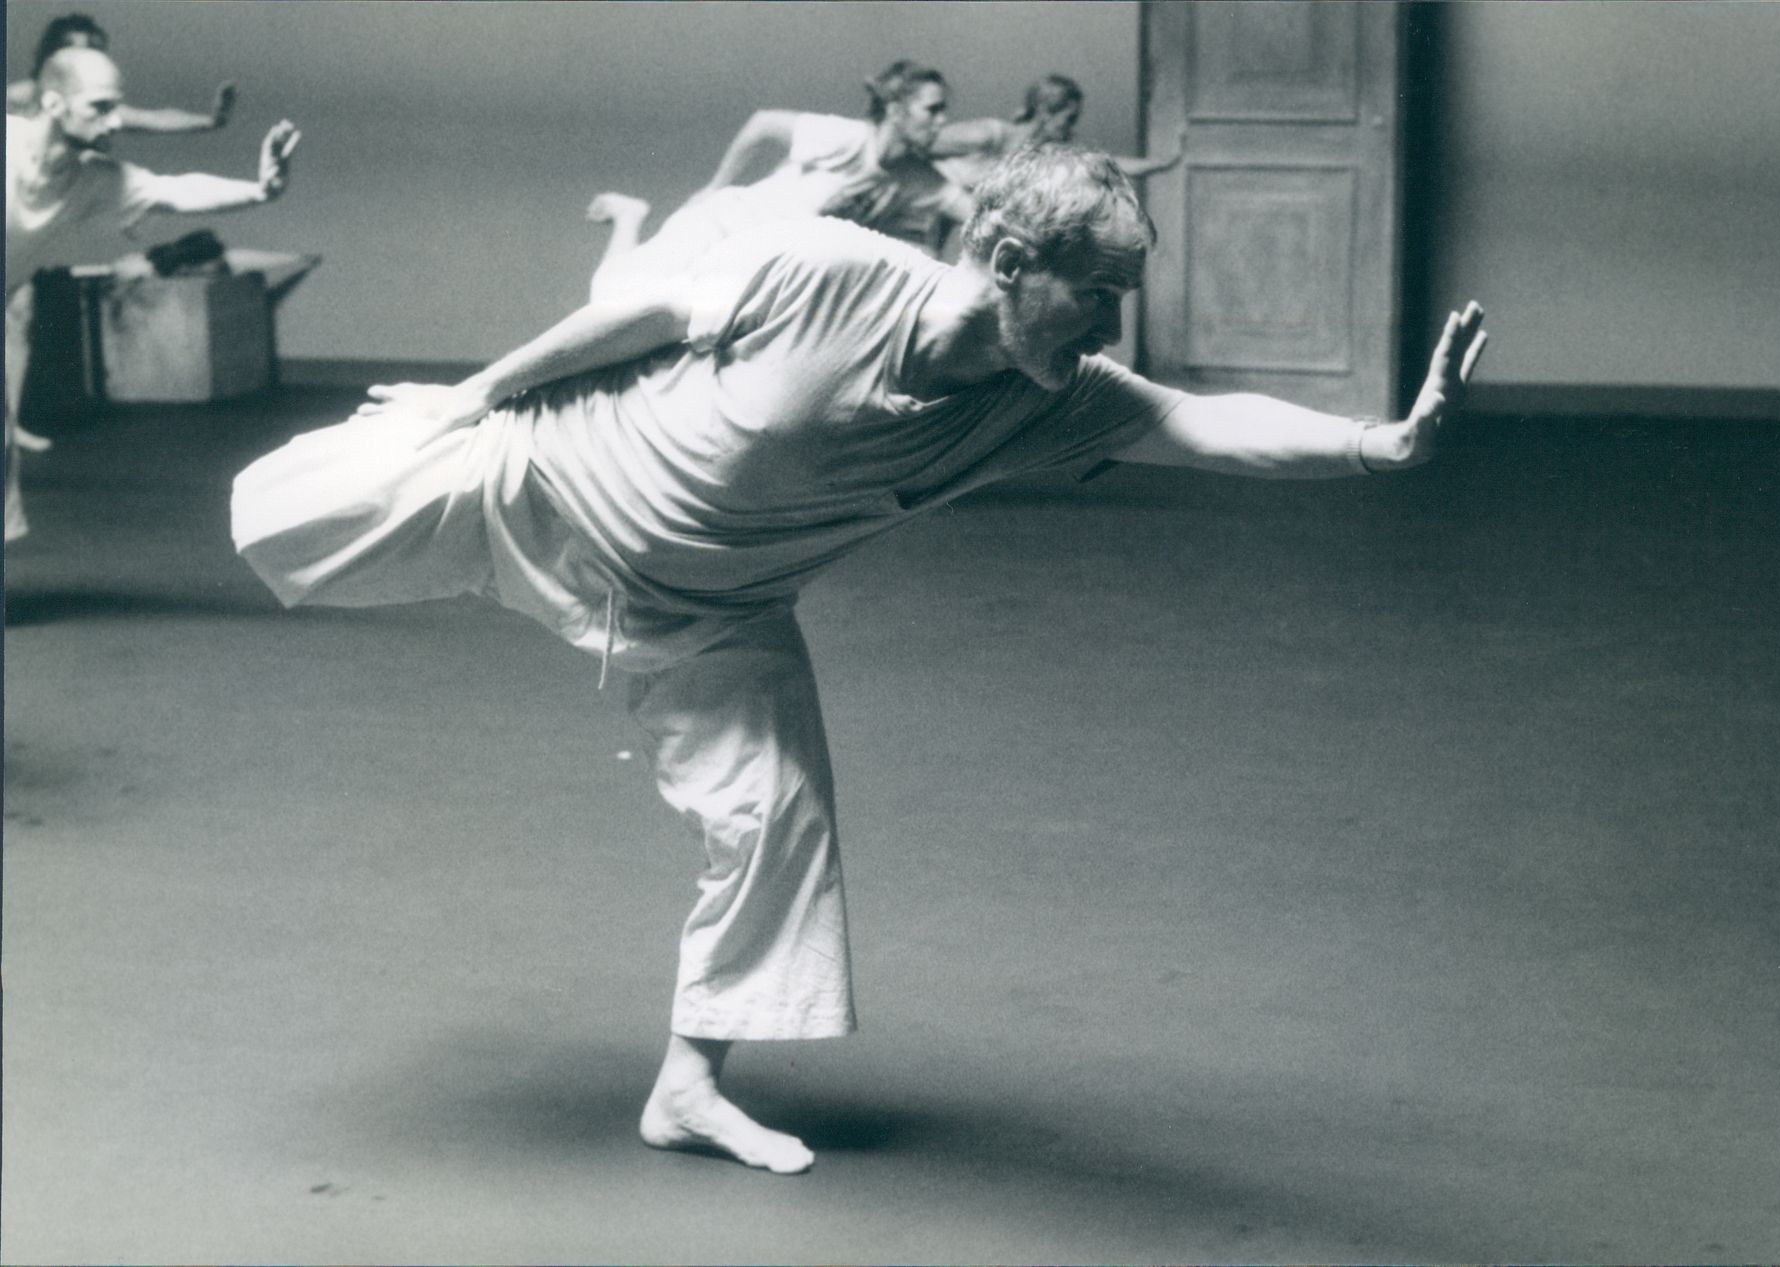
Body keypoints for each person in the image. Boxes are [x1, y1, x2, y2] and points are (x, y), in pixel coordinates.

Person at [231, 143, 1486, 1176]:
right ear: (1008, 260)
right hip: (544, 476)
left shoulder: (1054, 397)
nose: (1112, 322)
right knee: (274, 513)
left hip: (710, 612)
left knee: (778, 819)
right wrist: (475, 396)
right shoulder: (830, 267)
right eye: (1095, 291)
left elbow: (1201, 422)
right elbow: (643, 315)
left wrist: (1377, 445)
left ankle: (686, 1090)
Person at [5, 46, 299, 544]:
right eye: (99, 106)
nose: (114, 120)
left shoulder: (95, 179)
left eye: (115, 106)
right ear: (54, 104)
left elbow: (174, 190)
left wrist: (260, 190)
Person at [585, 59, 974, 301]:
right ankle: (629, 216)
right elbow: (763, 124)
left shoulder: (919, 180)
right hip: (725, 223)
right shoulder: (849, 138)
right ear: (896, 109)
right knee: (613, 299)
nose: (942, 121)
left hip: (758, 261)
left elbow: (973, 213)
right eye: (932, 109)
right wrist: (715, 187)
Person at [931, 73, 1183, 191]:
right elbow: (920, 143)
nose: (1072, 127)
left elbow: (1107, 164)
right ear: (1045, 112)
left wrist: (1163, 163)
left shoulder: (1046, 155)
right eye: (1069, 119)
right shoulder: (990, 134)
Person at [7, 13, 237, 135]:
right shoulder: (19, 97)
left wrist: (212, 121)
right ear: (51, 54)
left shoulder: (98, 109)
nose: (81, 60)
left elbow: (153, 119)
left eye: (89, 53)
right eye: (73, 51)